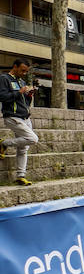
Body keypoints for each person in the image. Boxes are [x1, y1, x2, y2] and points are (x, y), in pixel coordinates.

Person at [0, 58, 39, 186]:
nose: (24, 73)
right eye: (22, 70)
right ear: (15, 67)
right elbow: (3, 97)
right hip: (12, 116)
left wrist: (29, 95)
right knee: (33, 139)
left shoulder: (22, 81)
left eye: (26, 71)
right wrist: (19, 92)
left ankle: (20, 176)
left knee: (23, 148)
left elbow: (23, 102)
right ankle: (4, 143)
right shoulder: (4, 79)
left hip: (25, 117)